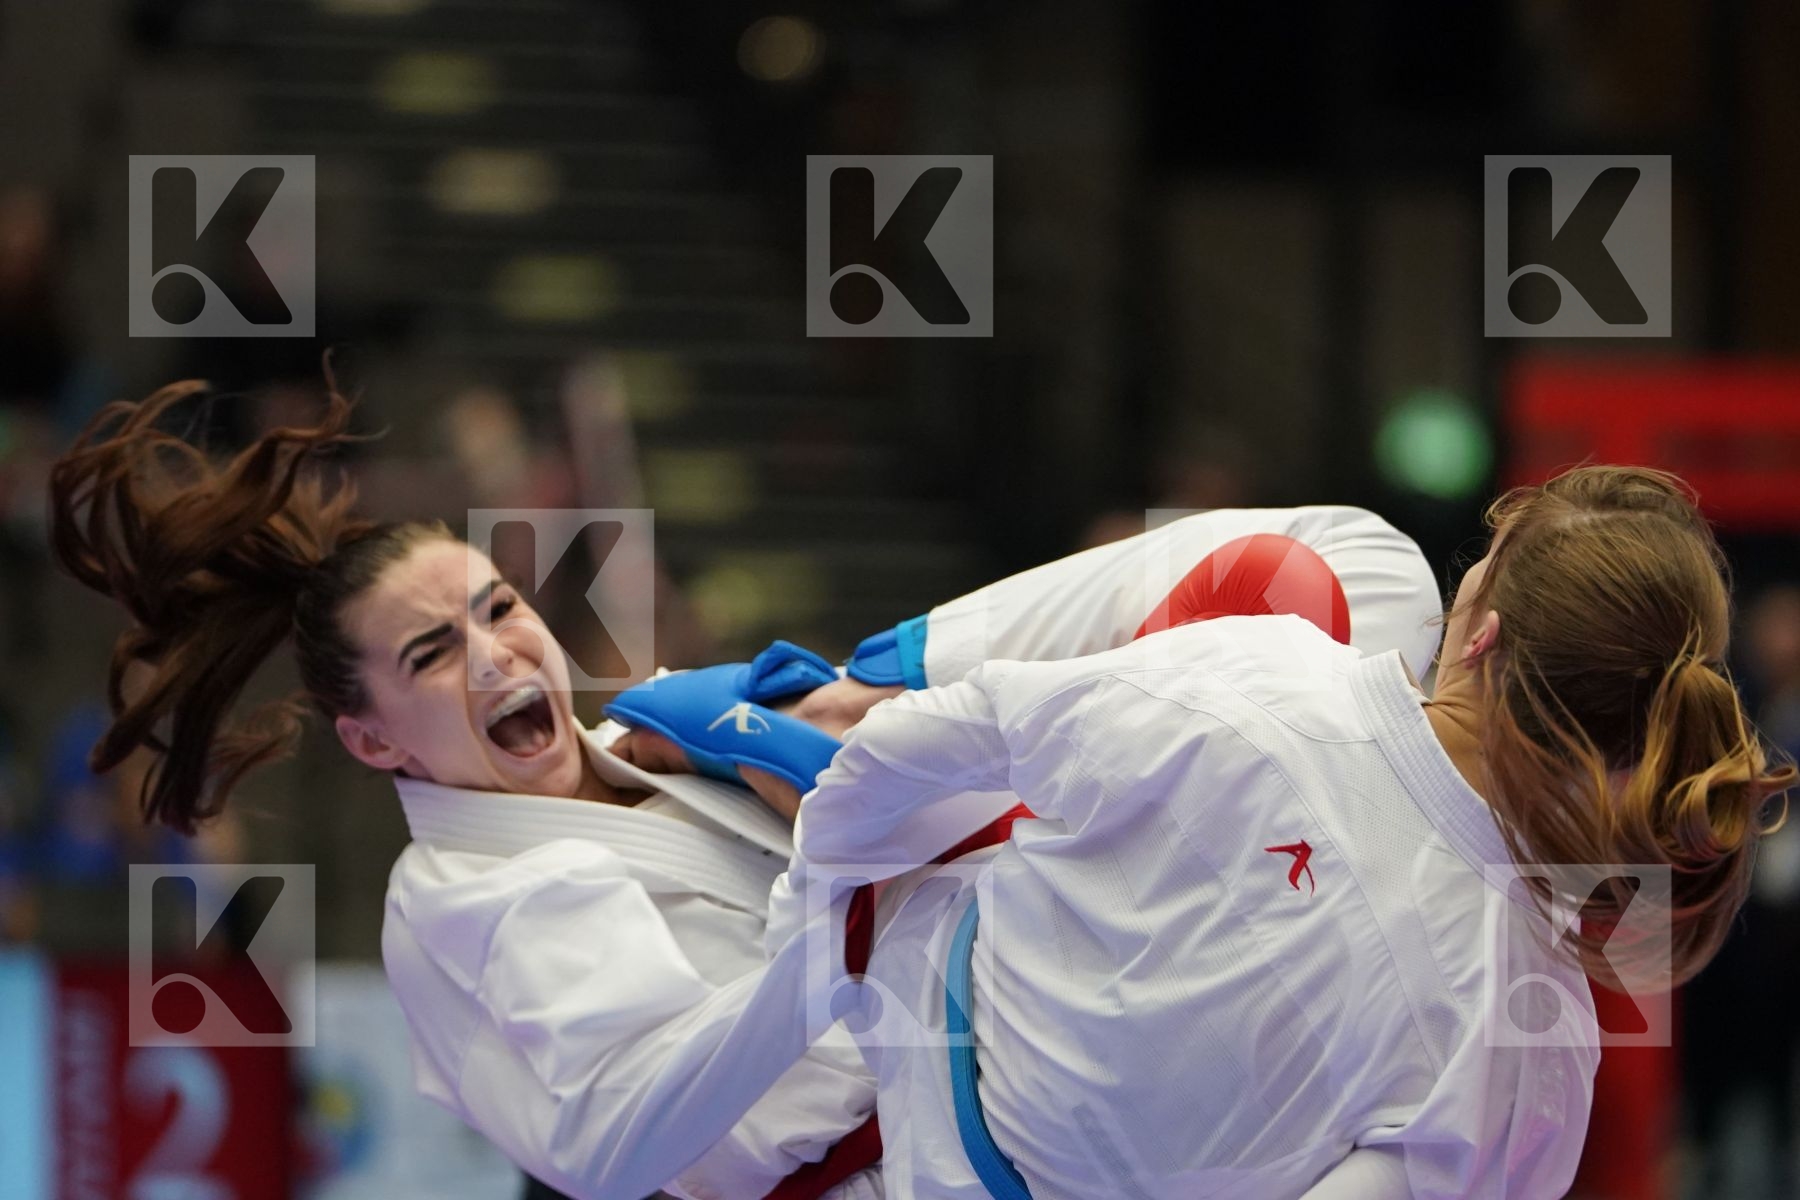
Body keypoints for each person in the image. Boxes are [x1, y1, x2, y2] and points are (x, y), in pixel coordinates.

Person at [47, 378, 1447, 1199]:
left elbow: (889, 866)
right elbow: (609, 1143)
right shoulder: (457, 900)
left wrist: (832, 726)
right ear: (375, 742)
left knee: (1338, 582)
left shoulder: (654, 736)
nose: (496, 654)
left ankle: (907, 668)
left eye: (497, 607)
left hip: (1017, 993)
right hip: (930, 1153)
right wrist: (826, 907)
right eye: (434, 653)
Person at [637, 465, 1792, 1199]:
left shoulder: (1266, 668)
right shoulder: (1536, 1054)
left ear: (1481, 636)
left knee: (1348, 571)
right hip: (887, 1080)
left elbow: (916, 750)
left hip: (858, 1044)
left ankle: (831, 698)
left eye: (1480, 567)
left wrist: (818, 931)